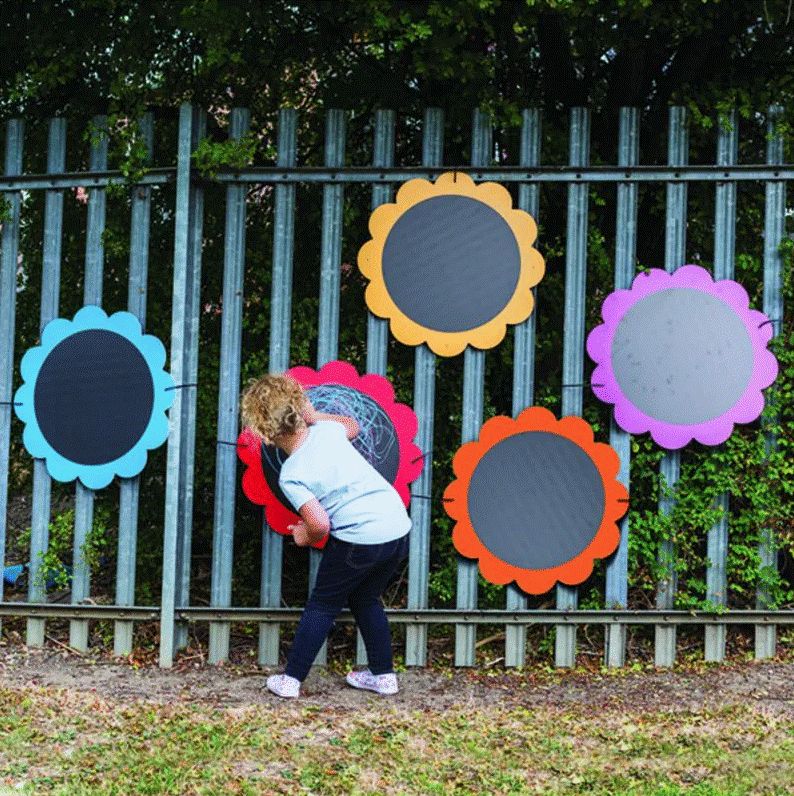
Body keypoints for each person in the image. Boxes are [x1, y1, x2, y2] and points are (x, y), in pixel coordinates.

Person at [240, 373, 412, 699]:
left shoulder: (291, 475)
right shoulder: (328, 431)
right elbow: (354, 426)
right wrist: (316, 416)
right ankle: (384, 676)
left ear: (263, 432)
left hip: (358, 539)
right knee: (366, 599)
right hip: (396, 528)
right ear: (300, 407)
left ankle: (290, 681)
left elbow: (320, 524)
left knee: (322, 605)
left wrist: (305, 535)